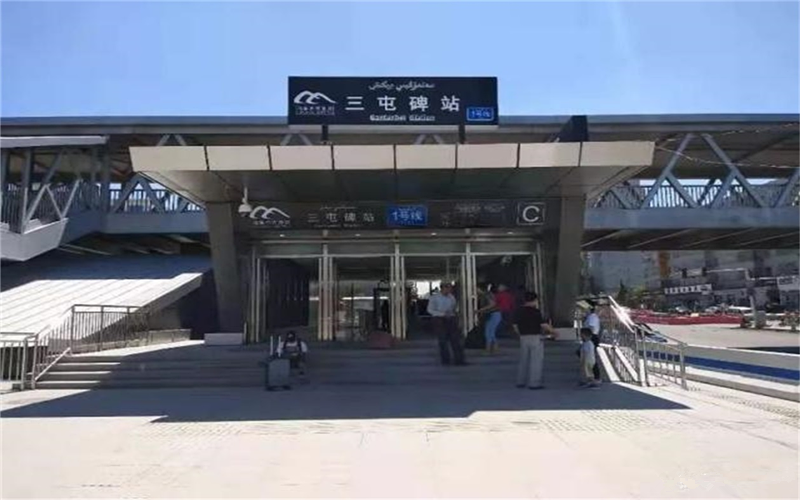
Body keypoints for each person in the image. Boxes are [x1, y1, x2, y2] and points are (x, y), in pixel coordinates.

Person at [513, 292, 556, 389]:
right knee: (536, 361)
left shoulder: (519, 311)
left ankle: (520, 381)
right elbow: (543, 324)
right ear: (534, 300)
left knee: (523, 359)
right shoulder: (536, 312)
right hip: (535, 337)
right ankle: (534, 383)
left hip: (523, 337)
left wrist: (519, 334)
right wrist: (554, 332)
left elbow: (515, 325)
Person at [427, 283, 466, 366]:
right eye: (448, 288)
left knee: (455, 340)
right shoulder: (435, 298)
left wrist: (455, 315)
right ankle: (446, 360)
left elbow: (454, 307)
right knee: (443, 340)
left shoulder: (451, 297)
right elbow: (430, 310)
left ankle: (459, 360)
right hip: (439, 319)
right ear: (443, 288)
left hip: (450, 318)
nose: (449, 290)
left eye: (450, 289)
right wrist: (442, 314)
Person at [476, 283, 501, 353]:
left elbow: (492, 304)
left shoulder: (487, 295)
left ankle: (489, 348)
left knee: (488, 331)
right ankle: (494, 347)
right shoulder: (487, 295)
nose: (476, 291)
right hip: (494, 314)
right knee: (490, 331)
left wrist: (481, 310)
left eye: (477, 289)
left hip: (494, 314)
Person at [583, 304, 602, 381]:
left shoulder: (592, 317)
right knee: (588, 357)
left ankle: (596, 377)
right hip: (590, 337)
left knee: (591, 359)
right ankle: (591, 377)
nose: (585, 311)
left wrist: (588, 337)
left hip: (591, 337)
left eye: (586, 309)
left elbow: (592, 327)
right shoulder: (590, 317)